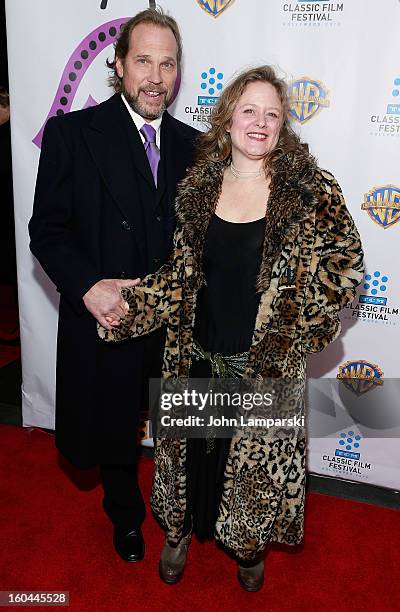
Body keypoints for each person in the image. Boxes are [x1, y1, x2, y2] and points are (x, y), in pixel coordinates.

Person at [98, 65, 364, 590]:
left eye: (272, 113)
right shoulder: (197, 189)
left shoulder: (310, 190)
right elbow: (180, 276)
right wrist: (127, 302)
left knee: (252, 476)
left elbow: (346, 264)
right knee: (191, 460)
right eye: (249, 110)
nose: (259, 122)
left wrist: (296, 328)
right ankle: (178, 533)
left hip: (262, 368)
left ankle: (249, 546)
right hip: (197, 355)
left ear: (283, 124)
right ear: (227, 120)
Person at [29, 8, 198, 563]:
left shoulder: (196, 147)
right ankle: (125, 515)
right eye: (143, 60)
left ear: (177, 72)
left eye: (167, 63)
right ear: (119, 65)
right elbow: (47, 231)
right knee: (115, 430)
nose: (156, 76)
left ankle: (181, 512)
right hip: (111, 323)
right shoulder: (73, 134)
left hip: (175, 329)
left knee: (183, 423)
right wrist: (86, 287)